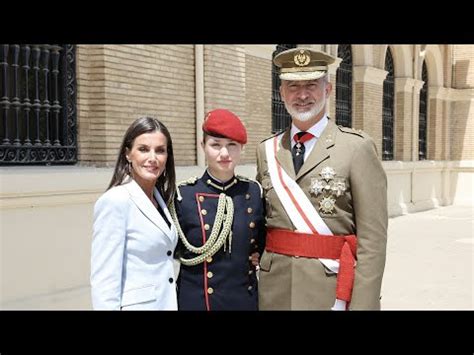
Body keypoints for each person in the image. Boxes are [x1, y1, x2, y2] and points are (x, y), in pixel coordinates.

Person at [256, 48, 388, 310]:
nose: (302, 95)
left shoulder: (356, 148)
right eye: (293, 86)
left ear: (327, 90)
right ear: (281, 92)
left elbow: (373, 242)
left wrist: (363, 304)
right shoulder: (267, 150)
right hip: (275, 291)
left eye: (312, 85)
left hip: (330, 292)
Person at [169, 109, 265, 310]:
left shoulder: (254, 192)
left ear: (241, 148)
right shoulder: (183, 195)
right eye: (216, 145)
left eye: (232, 145)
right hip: (197, 301)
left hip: (244, 300)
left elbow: (264, 241)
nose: (224, 153)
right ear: (202, 146)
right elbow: (172, 249)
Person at [91, 116, 178, 310]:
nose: (153, 158)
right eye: (143, 149)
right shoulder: (115, 201)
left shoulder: (163, 200)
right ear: (128, 154)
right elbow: (104, 279)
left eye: (160, 150)